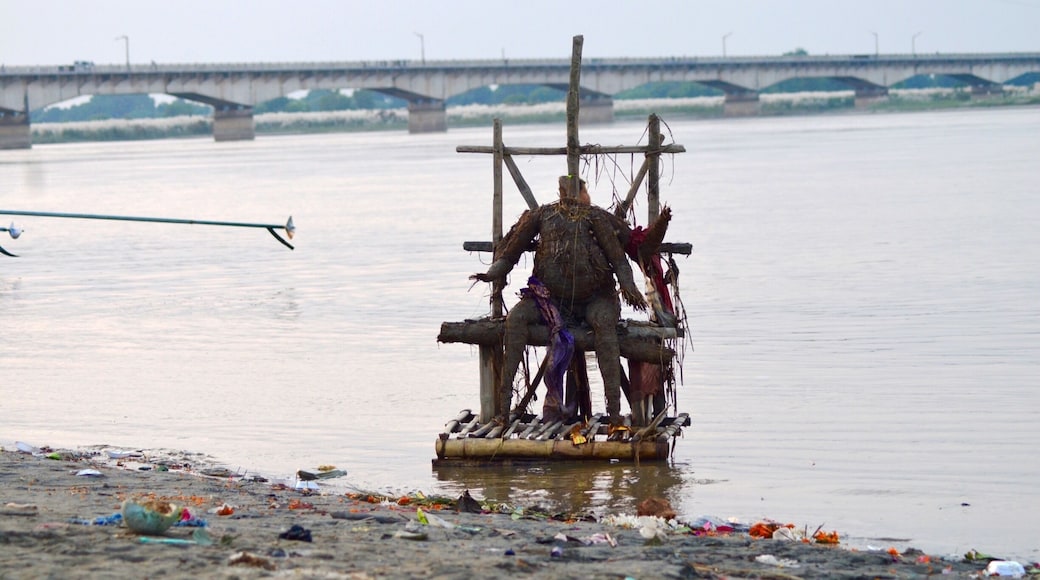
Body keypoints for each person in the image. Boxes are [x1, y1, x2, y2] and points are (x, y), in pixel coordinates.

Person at [471, 177, 647, 426]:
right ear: (578, 192)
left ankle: (615, 413)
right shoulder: (542, 215)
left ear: (560, 192)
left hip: (595, 299)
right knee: (516, 319)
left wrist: (629, 288)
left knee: (604, 326)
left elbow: (619, 260)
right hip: (549, 300)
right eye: (585, 191)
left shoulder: (595, 217)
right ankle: (503, 410)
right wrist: (491, 274)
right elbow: (510, 254)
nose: (587, 197)